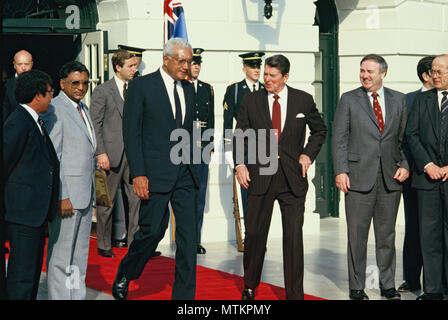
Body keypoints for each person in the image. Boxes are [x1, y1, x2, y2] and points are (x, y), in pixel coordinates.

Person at [112, 37, 199, 300]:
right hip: (154, 174)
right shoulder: (142, 86)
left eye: (189, 61)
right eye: (182, 60)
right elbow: (132, 133)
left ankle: (184, 298)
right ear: (166, 59)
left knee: (188, 240)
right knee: (152, 232)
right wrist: (138, 173)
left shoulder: (189, 89)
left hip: (185, 174)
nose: (187, 66)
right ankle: (127, 272)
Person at [233, 54, 327, 300]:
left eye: (272, 76)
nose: (266, 80)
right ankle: (250, 285)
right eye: (265, 74)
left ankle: (294, 294)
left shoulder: (303, 100)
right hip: (259, 177)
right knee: (254, 234)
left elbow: (319, 131)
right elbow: (240, 134)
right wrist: (240, 164)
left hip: (292, 180)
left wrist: (307, 155)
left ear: (285, 77)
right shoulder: (251, 100)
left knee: (294, 239)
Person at [332, 54, 409, 300]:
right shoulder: (349, 99)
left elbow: (405, 138)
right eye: (362, 70)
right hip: (357, 178)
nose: (365, 75)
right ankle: (357, 286)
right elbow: (339, 139)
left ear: (383, 74)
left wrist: (405, 165)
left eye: (370, 71)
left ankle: (387, 285)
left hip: (390, 178)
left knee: (387, 236)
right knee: (357, 235)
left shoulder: (399, 100)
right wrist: (340, 170)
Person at [42, 61, 97, 300]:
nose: (81, 87)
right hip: (68, 196)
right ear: (62, 83)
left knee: (79, 254)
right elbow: (55, 158)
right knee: (62, 254)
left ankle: (76, 295)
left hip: (85, 193)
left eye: (85, 83)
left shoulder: (83, 108)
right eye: (75, 83)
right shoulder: (54, 108)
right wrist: (61, 195)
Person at [3, 70, 59, 299]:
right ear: (37, 95)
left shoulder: (34, 121)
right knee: (22, 277)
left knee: (32, 274)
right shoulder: (18, 122)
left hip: (35, 213)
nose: (51, 98)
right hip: (22, 213)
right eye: (49, 93)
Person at [89, 49, 140, 258]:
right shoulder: (102, 91)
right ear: (118, 67)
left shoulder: (138, 88)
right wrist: (100, 152)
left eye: (135, 66)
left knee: (136, 200)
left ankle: (134, 244)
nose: (134, 70)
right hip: (110, 154)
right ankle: (104, 244)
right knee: (106, 202)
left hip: (134, 154)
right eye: (130, 66)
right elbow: (95, 124)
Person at [405, 54, 448, 300]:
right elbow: (412, 135)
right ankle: (432, 289)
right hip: (427, 179)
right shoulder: (421, 100)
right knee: (429, 236)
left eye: (440, 71)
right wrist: (428, 164)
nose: (435, 76)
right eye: (433, 71)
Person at [399, 55, 435, 293]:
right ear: (426, 75)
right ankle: (411, 278)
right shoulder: (408, 100)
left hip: (439, 176)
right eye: (438, 71)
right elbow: (401, 138)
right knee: (413, 228)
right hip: (414, 176)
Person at [223, 51, 265, 219]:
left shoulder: (264, 89)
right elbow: (227, 121)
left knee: (262, 193)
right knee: (246, 192)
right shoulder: (234, 90)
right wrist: (227, 148)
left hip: (262, 149)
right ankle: (250, 235)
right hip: (244, 148)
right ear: (244, 68)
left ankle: (259, 234)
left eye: (258, 66)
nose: (256, 70)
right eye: (252, 66)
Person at [189, 48, 215, 254]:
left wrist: (211, 145)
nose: (196, 66)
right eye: (193, 62)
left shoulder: (207, 88)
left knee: (199, 195)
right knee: (182, 196)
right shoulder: (180, 86)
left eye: (199, 63)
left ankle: (195, 239)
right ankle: (184, 239)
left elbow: (211, 119)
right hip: (182, 147)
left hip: (202, 148)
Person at [2, 50, 33, 122]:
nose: (23, 68)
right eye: (19, 64)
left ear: (32, 64)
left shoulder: (39, 84)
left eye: (26, 64)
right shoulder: (6, 86)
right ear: (14, 65)